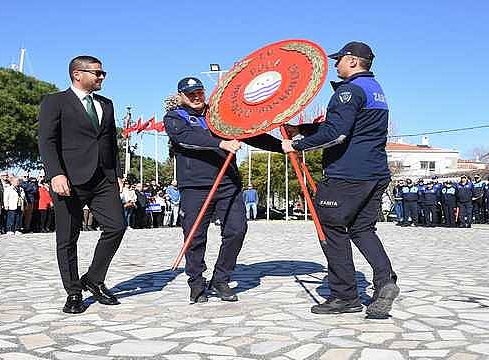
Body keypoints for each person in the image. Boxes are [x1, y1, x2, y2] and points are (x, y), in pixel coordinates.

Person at [282, 41, 399, 318]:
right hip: (375, 173)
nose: (335, 65)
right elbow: (351, 125)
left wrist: (297, 145)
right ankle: (385, 282)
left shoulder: (348, 91)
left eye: (339, 60)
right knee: (362, 230)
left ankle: (345, 296)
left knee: (331, 231)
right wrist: (303, 128)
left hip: (347, 175)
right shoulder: (374, 89)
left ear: (353, 61)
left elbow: (338, 134)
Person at [164, 76, 284, 304]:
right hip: (195, 187)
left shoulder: (219, 114)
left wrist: (280, 146)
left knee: (237, 230)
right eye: (190, 94)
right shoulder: (174, 117)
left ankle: (221, 278)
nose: (196, 97)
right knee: (194, 236)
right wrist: (220, 143)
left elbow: (250, 133)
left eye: (199, 92)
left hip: (227, 183)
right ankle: (196, 282)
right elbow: (186, 138)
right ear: (181, 96)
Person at [38, 55, 126, 314]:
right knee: (67, 237)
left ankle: (94, 279)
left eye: (102, 73)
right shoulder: (55, 102)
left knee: (117, 227)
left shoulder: (106, 104)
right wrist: (55, 173)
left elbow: (111, 141)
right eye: (97, 73)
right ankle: (74, 292)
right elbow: (47, 140)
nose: (101, 77)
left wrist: (117, 173)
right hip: (69, 179)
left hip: (103, 178)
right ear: (77, 74)